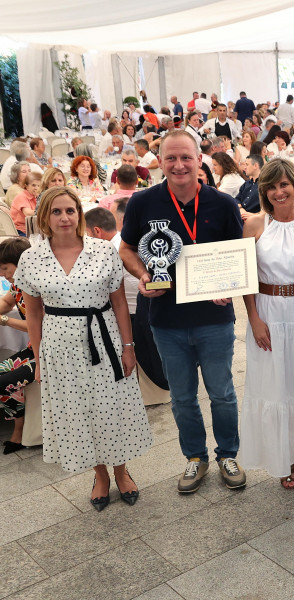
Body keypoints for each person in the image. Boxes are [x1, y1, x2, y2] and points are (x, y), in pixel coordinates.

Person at [119, 130, 246, 495]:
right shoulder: (143, 203)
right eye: (171, 158)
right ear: (159, 161)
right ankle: (195, 456)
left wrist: (229, 287)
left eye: (186, 157)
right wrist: (142, 272)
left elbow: (237, 259)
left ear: (199, 159)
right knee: (183, 397)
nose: (179, 165)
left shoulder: (222, 204)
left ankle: (227, 455)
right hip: (166, 319)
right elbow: (127, 249)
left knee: (222, 393)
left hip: (214, 320)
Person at [16, 187, 151, 510]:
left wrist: (128, 347)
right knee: (78, 410)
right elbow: (34, 312)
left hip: (104, 338)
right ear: (45, 217)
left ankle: (121, 471)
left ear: (79, 214)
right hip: (60, 346)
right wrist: (37, 356)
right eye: (57, 211)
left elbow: (119, 304)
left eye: (70, 210)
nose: (65, 217)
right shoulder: (31, 257)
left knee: (111, 408)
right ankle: (100, 475)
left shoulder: (102, 250)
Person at [240, 159, 294, 488]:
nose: (279, 192)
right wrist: (255, 319)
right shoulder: (255, 225)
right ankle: (282, 457)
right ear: (264, 191)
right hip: (267, 312)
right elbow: (246, 279)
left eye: (284, 184)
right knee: (275, 386)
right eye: (272, 186)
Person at [0, 238, 37, 455]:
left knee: (4, 381)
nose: (3, 274)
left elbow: (37, 327)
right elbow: (6, 303)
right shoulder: (17, 284)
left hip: (48, 353)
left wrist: (4, 321)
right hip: (33, 350)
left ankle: (19, 430)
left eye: (5, 268)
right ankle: (19, 429)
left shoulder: (37, 287)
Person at [237, 154, 263, 220]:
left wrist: (253, 215)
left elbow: (269, 209)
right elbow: (237, 199)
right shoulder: (246, 184)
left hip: (257, 220)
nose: (244, 167)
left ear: (255, 166)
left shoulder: (265, 184)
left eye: (247, 164)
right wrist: (241, 209)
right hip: (241, 216)